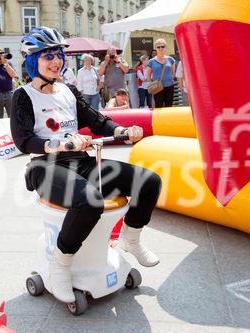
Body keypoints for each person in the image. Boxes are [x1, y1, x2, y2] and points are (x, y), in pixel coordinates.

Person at [11, 26, 162, 304]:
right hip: (46, 167)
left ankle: (132, 238)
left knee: (149, 181)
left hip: (81, 162)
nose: (56, 61)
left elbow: (97, 120)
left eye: (58, 55)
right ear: (33, 61)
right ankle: (60, 265)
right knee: (90, 201)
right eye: (47, 56)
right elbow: (23, 140)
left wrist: (121, 131)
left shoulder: (68, 91)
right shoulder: (24, 96)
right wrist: (57, 144)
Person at [147, 39, 176, 108]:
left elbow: (173, 73)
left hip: (169, 86)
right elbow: (148, 77)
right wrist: (154, 84)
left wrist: (169, 80)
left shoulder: (171, 60)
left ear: (165, 47)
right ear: (155, 48)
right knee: (158, 107)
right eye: (158, 47)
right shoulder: (151, 61)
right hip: (157, 88)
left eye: (162, 46)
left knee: (169, 107)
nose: (160, 48)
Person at [0, 48, 17, 118]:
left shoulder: (8, 63)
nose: (1, 56)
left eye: (1, 54)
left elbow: (13, 75)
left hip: (9, 93)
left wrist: (6, 64)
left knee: (12, 116)